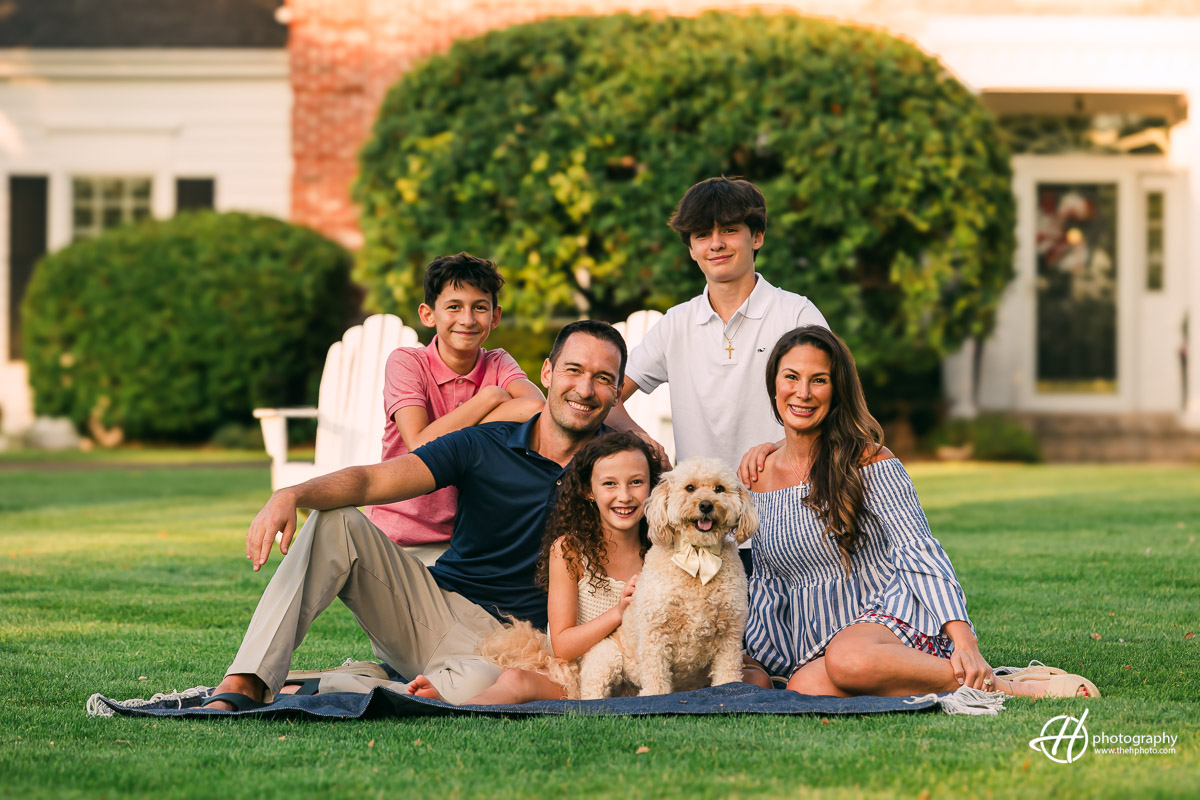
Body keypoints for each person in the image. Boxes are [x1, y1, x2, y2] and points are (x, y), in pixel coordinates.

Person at [200, 320, 627, 710]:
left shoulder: (624, 473)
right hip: (432, 609)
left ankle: (342, 683)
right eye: (573, 371)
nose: (585, 389)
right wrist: (290, 494)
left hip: (517, 646)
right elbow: (371, 482)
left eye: (602, 378)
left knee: (475, 694)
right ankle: (246, 680)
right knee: (337, 522)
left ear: (618, 388)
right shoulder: (483, 443)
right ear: (548, 373)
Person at [742, 325, 1099, 699]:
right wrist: (758, 657)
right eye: (792, 377)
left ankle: (1005, 686)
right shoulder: (758, 473)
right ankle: (943, 679)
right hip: (816, 638)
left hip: (889, 615)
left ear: (837, 391)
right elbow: (769, 580)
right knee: (804, 687)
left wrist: (964, 641)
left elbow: (917, 548)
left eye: (819, 380)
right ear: (774, 384)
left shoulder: (868, 460)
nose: (803, 392)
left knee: (848, 659)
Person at [605, 176, 828, 570]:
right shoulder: (676, 324)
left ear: (756, 237)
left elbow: (834, 400)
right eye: (702, 234)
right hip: (700, 532)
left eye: (729, 230)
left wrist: (779, 446)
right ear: (691, 249)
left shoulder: (796, 314)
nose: (716, 244)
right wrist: (642, 439)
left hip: (786, 519)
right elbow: (604, 398)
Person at [405, 431, 661, 704]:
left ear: (652, 487)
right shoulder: (570, 550)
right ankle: (456, 707)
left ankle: (450, 698)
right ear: (589, 490)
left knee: (508, 680)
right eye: (610, 484)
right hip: (579, 671)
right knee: (514, 679)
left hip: (645, 673)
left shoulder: (661, 551)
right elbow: (562, 646)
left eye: (636, 482)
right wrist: (618, 612)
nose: (624, 496)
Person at [366, 252, 545, 566]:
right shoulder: (408, 362)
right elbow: (420, 445)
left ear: (495, 316)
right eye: (454, 307)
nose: (468, 319)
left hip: (464, 544)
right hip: (396, 538)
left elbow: (538, 408)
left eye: (480, 307)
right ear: (428, 314)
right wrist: (489, 398)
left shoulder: (498, 361)